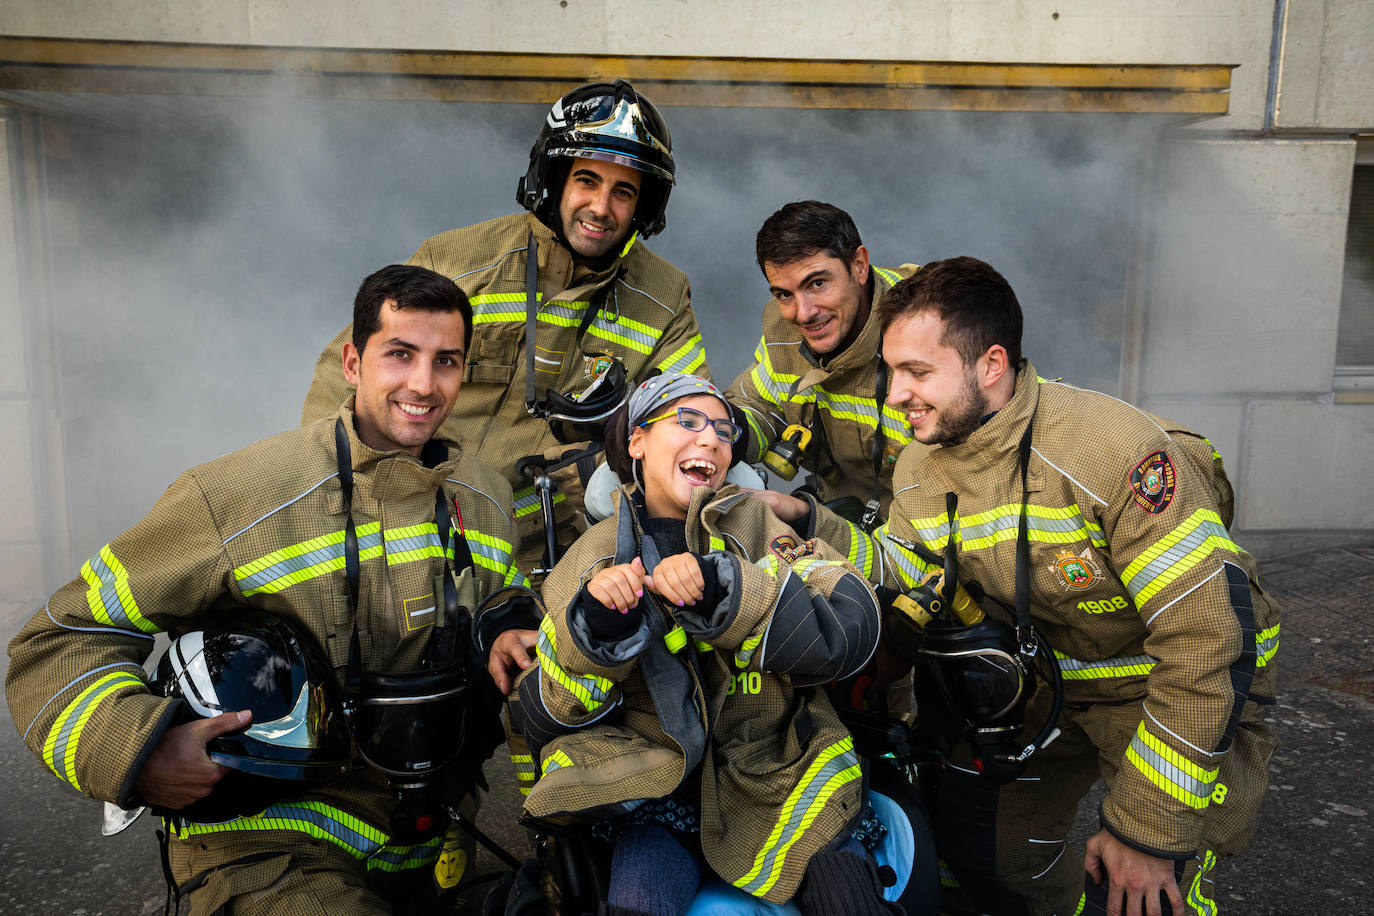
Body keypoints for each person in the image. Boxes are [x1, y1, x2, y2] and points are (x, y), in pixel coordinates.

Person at [6, 265, 538, 913]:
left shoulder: (482, 497)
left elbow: (499, 597)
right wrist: (138, 753)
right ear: (353, 361)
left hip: (423, 840)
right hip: (264, 845)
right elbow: (59, 638)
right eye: (400, 354)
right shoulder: (239, 497)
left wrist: (509, 624)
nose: (423, 385)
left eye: (446, 362)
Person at [768, 256, 1279, 915]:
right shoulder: (921, 467)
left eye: (918, 372)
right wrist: (813, 535)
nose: (894, 394)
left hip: (1172, 687)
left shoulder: (1111, 451)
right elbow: (914, 577)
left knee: (1141, 889)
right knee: (991, 863)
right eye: (892, 372)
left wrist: (1148, 831)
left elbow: (1206, 638)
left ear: (991, 365)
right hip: (1047, 688)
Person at [506, 373, 899, 916]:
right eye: (686, 422)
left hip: (785, 782)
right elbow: (549, 711)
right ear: (636, 442)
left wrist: (729, 590)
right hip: (656, 794)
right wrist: (596, 629)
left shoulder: (759, 525)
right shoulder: (591, 559)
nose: (711, 439)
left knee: (849, 902)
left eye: (722, 429)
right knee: (636, 902)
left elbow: (845, 628)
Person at [301, 79, 712, 586]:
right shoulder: (459, 261)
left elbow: (697, 420)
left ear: (644, 206)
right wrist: (333, 504)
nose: (601, 208)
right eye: (587, 180)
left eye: (623, 191)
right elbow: (347, 384)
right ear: (553, 178)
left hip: (554, 563)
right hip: (408, 539)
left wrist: (610, 462)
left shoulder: (665, 296)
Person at [725, 200, 920, 543]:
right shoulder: (785, 332)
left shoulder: (931, 325)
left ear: (859, 265)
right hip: (840, 522)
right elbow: (757, 407)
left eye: (817, 283)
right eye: (785, 294)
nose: (803, 313)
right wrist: (711, 431)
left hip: (930, 536)